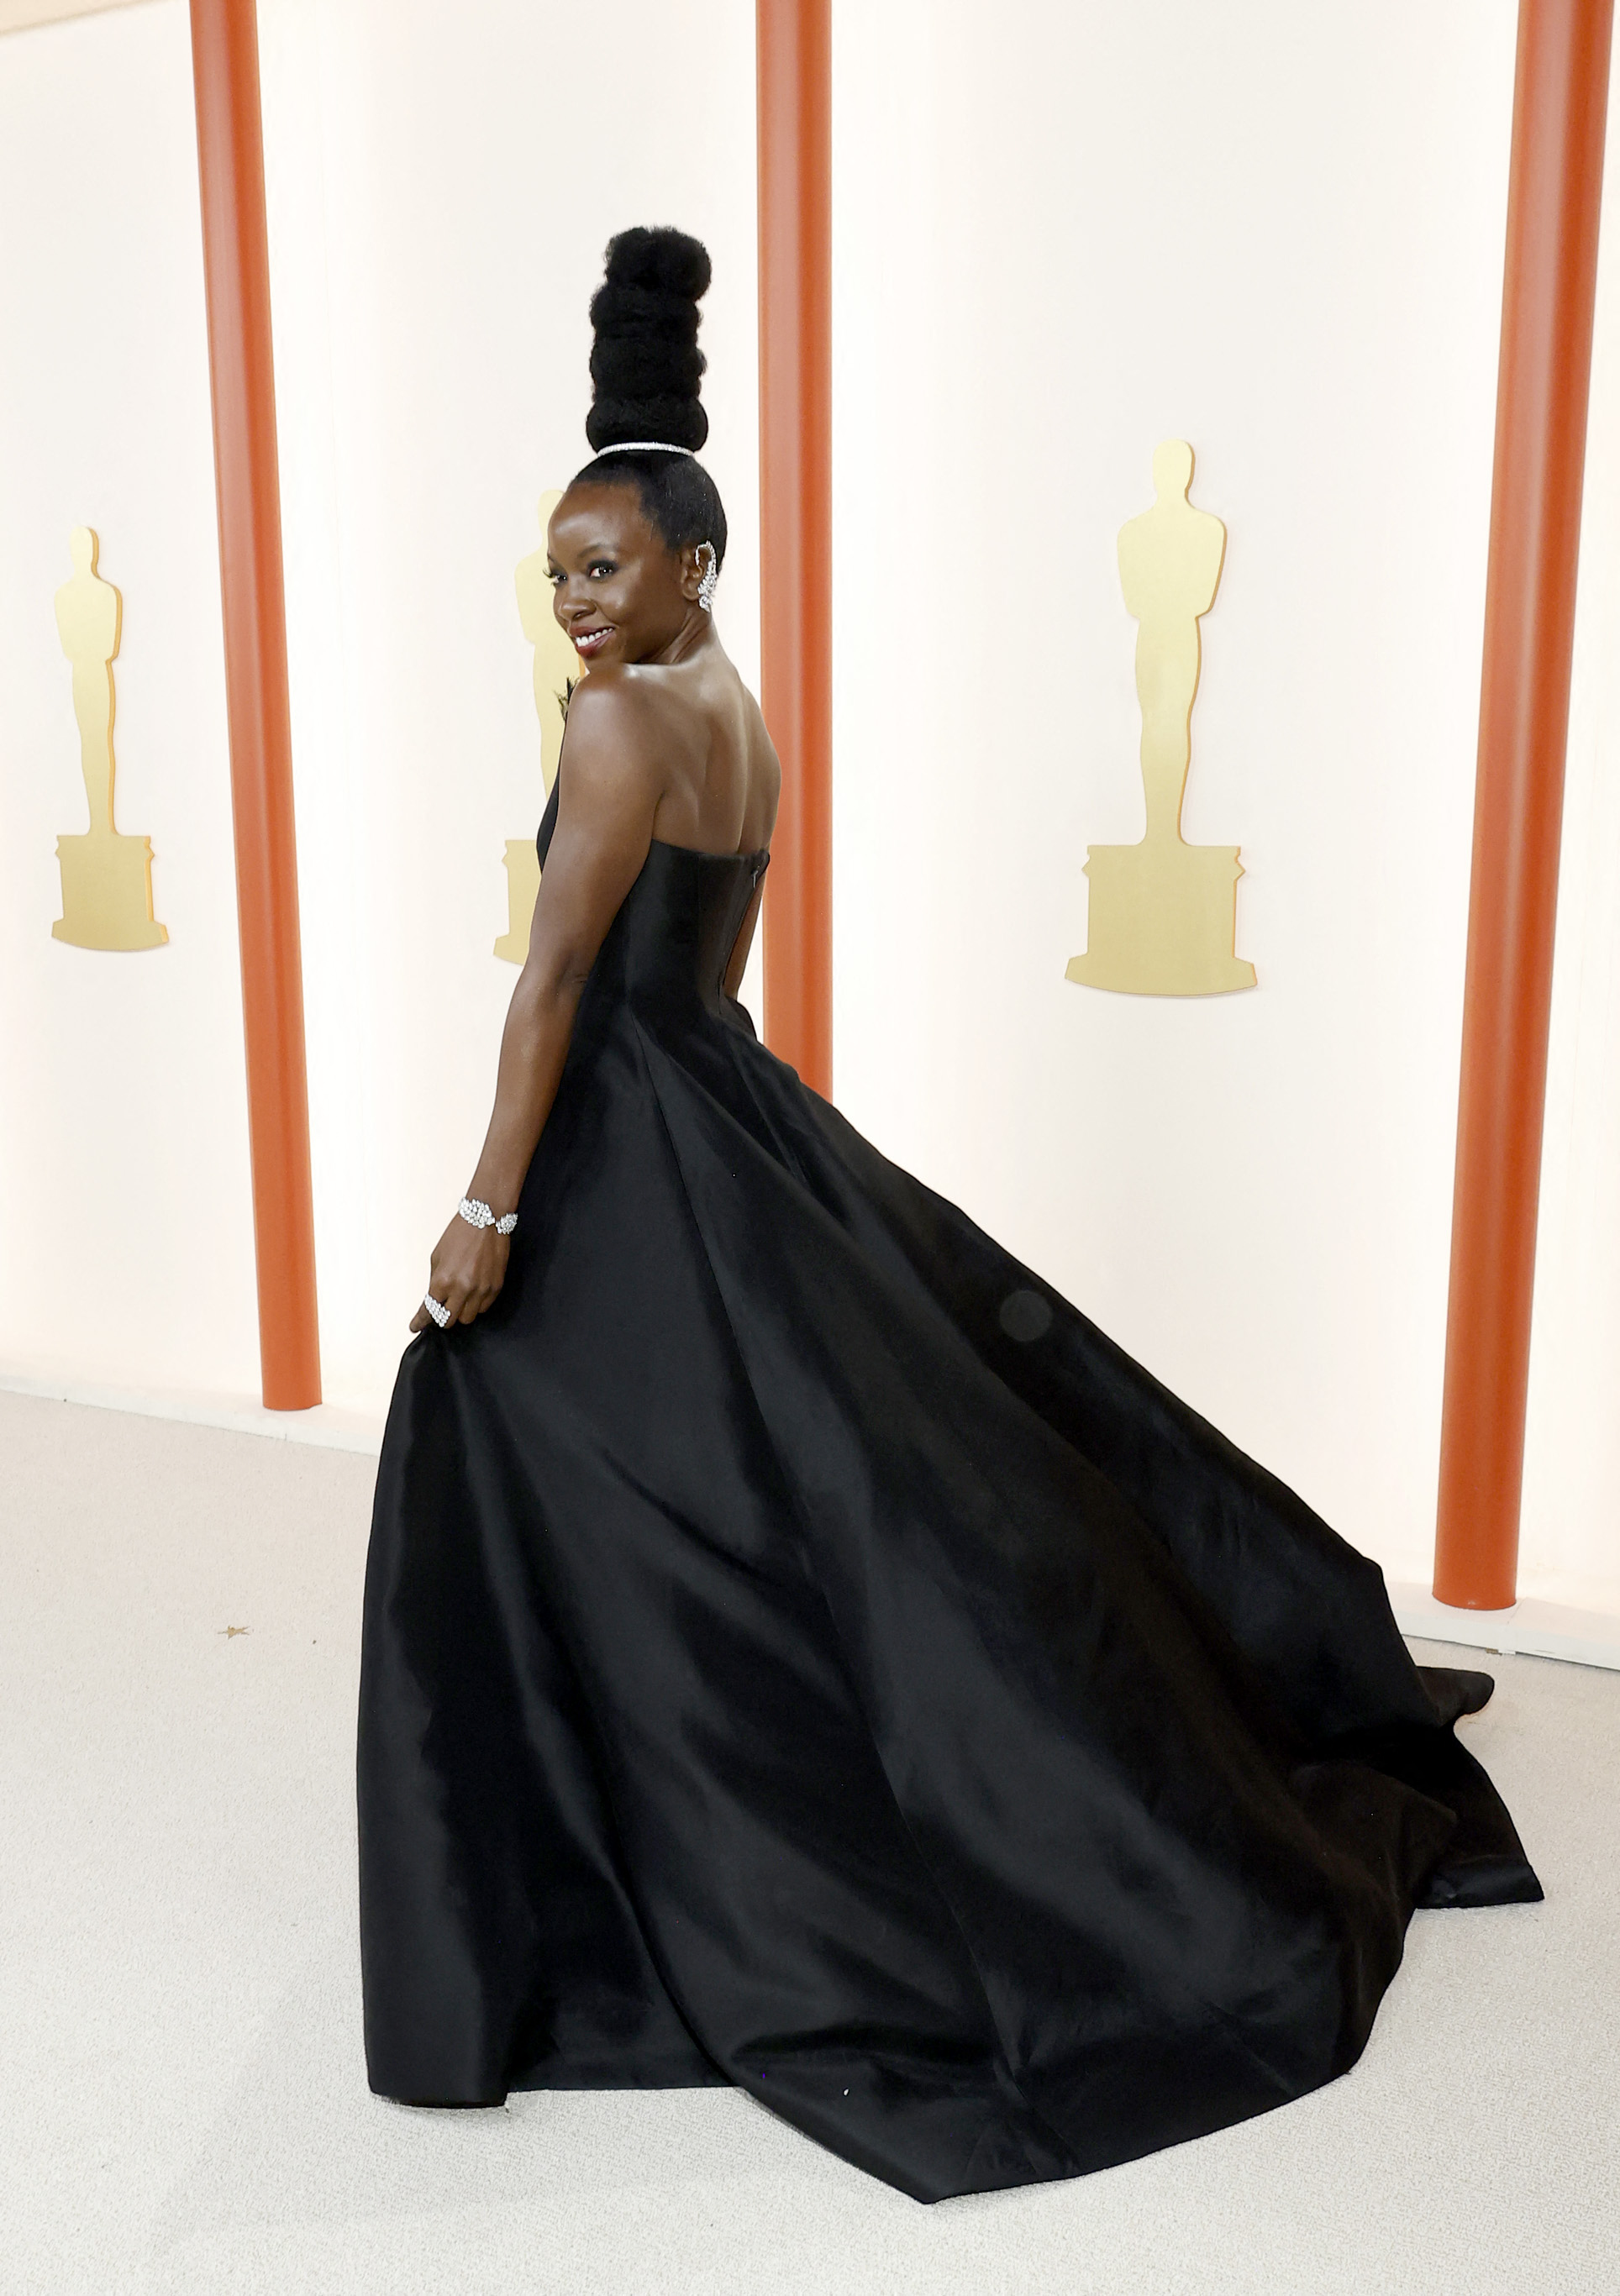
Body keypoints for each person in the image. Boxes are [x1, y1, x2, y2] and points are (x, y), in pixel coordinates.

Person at [357, 227, 1539, 2206]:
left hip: (636, 1126)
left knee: (513, 1428)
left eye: (604, 564)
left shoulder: (615, 724)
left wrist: (488, 1200)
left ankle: (601, 1894)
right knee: (815, 1480)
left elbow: (553, 986)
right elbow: (693, 960)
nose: (571, 599)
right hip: (726, 1105)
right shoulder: (734, 705)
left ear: (690, 564)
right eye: (555, 570)